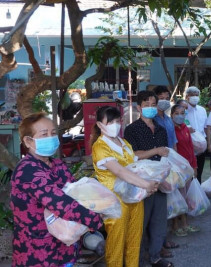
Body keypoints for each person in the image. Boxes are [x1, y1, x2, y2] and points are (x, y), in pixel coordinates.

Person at [10, 113, 102, 266]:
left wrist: (100, 202)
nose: (51, 138)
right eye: (44, 134)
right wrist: (94, 218)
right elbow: (59, 202)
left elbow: (76, 192)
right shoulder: (27, 170)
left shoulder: (57, 164)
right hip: (38, 250)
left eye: (53, 133)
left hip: (64, 245)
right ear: (27, 141)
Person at [91, 106, 159, 267]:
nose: (115, 125)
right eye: (110, 122)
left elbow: (135, 166)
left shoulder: (124, 142)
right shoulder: (100, 147)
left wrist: (150, 179)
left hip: (135, 197)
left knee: (134, 239)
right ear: (100, 125)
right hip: (114, 201)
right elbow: (119, 171)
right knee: (116, 241)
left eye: (117, 121)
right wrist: (146, 184)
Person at [123, 91, 174, 267]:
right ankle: (136, 258)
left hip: (159, 181)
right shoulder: (131, 129)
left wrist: (167, 176)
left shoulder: (161, 129)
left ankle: (155, 256)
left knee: (159, 220)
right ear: (139, 108)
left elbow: (166, 155)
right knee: (140, 222)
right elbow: (132, 155)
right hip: (141, 183)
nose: (151, 108)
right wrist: (156, 151)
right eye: (147, 105)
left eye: (154, 104)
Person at [171, 101, 200, 236]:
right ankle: (176, 226)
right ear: (171, 115)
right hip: (178, 168)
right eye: (176, 113)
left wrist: (194, 166)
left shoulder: (185, 128)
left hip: (188, 167)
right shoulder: (171, 130)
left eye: (182, 113)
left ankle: (185, 224)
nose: (180, 116)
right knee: (178, 198)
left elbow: (191, 148)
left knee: (186, 197)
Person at [185, 86, 208, 183]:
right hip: (188, 145)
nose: (195, 97)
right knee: (189, 171)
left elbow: (206, 127)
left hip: (201, 145)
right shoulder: (183, 110)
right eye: (192, 95)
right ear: (187, 97)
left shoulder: (202, 110)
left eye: (196, 95)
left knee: (199, 170)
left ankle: (198, 193)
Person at [153, 85, 177, 150]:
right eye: (161, 98)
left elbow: (174, 142)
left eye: (167, 99)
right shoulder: (151, 120)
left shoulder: (169, 120)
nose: (165, 101)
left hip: (170, 155)